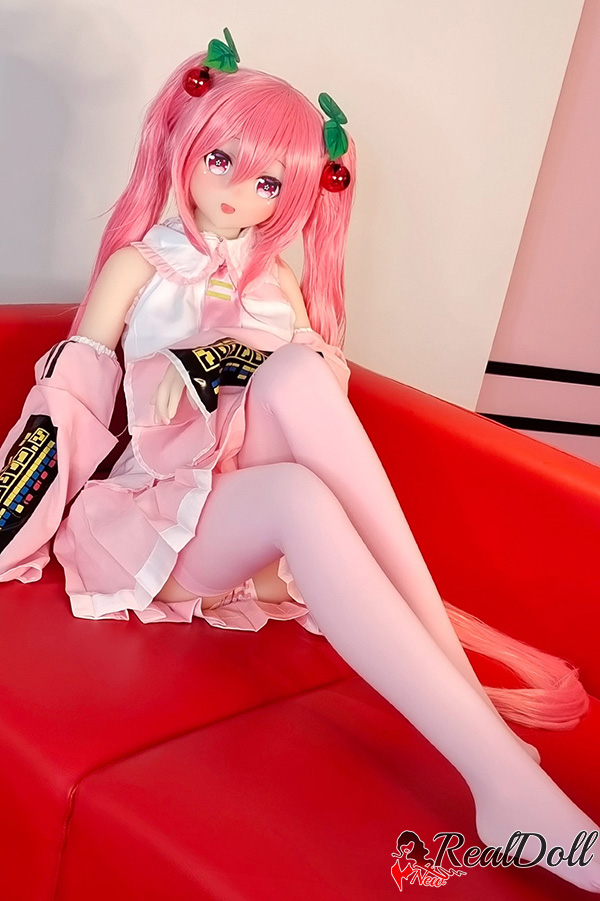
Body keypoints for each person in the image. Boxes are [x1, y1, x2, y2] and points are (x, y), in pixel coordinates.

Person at [1, 28, 599, 893]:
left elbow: (317, 408)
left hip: (253, 524)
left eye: (270, 182)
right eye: (223, 160)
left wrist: (248, 361)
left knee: (301, 378)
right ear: (186, 145)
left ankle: (483, 732)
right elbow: (67, 404)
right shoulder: (139, 267)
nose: (240, 192)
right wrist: (15, 519)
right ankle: (502, 776)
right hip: (163, 522)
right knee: (297, 489)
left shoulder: (275, 281)